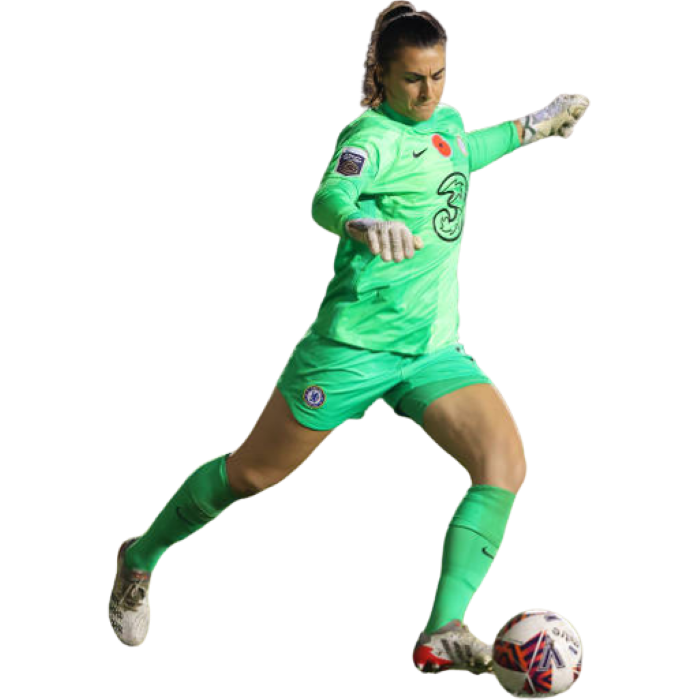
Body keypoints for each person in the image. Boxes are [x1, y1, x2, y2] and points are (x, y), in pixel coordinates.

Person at [108, 0, 590, 673]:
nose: (428, 92)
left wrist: (534, 125)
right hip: (351, 350)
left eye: (439, 76)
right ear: (383, 77)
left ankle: (443, 629)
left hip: (431, 348)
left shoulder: (445, 121)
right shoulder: (370, 136)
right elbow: (327, 199)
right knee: (250, 475)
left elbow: (462, 153)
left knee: (505, 465)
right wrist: (362, 224)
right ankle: (139, 557)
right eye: (413, 79)